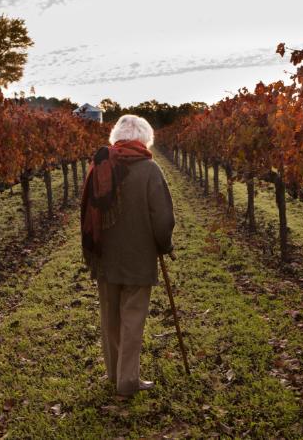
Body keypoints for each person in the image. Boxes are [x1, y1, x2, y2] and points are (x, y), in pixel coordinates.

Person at [81, 114, 175, 397]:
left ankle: (113, 373)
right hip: (138, 258)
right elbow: (163, 218)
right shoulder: (150, 169)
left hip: (105, 257)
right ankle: (127, 381)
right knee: (132, 320)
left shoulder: (99, 166)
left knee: (110, 317)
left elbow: (86, 210)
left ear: (117, 138)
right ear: (144, 138)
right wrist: (164, 244)